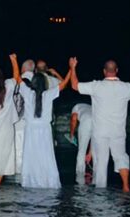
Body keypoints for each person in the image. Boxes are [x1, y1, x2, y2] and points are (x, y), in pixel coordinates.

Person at [71, 58, 130, 192]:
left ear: (104, 71)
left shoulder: (96, 86)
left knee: (101, 163)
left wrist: (72, 68)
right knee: (121, 157)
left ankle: (101, 193)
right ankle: (125, 186)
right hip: (118, 131)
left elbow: (74, 85)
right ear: (116, 71)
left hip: (100, 132)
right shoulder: (126, 87)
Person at [10, 54, 71, 188]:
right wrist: (71, 69)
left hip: (31, 130)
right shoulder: (48, 95)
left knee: (31, 158)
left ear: (33, 83)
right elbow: (64, 84)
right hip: (45, 131)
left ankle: (30, 183)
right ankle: (48, 183)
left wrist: (14, 61)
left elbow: (17, 78)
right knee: (47, 158)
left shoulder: (28, 93)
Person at [14, 59, 36, 175]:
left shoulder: (17, 81)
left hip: (18, 123)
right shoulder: (41, 80)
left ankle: (19, 178)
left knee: (18, 153)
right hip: (35, 125)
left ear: (23, 69)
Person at [70, 103, 93, 184]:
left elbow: (73, 119)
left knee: (81, 151)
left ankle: (80, 176)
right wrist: (90, 153)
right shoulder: (90, 107)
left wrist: (71, 135)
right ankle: (97, 179)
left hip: (86, 121)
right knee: (96, 151)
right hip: (99, 121)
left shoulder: (75, 107)